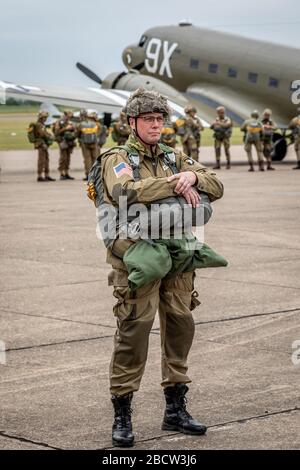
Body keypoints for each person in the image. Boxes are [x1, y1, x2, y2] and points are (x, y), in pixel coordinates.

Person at [94, 87, 224, 447]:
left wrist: (193, 178)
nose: (155, 125)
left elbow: (217, 184)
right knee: (134, 331)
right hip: (137, 257)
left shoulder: (174, 156)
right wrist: (172, 184)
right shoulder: (116, 158)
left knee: (181, 325)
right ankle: (122, 411)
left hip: (177, 256)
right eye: (148, 119)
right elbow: (124, 192)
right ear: (132, 122)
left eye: (160, 119)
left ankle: (175, 409)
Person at [29, 111, 55, 182]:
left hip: (44, 144)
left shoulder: (42, 125)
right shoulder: (38, 125)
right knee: (41, 160)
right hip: (41, 144)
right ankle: (40, 176)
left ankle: (46, 175)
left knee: (46, 159)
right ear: (40, 117)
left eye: (45, 117)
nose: (45, 119)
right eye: (43, 117)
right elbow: (42, 134)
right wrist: (50, 136)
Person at [77, 110, 100, 181]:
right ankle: (96, 175)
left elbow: (78, 134)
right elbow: (98, 133)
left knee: (87, 159)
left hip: (85, 143)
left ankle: (88, 175)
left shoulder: (81, 124)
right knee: (95, 158)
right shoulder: (95, 124)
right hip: (94, 143)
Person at [53, 111, 76, 180]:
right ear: (65, 115)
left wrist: (72, 129)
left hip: (69, 143)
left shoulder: (69, 122)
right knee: (63, 158)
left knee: (68, 158)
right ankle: (61, 174)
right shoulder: (59, 122)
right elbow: (57, 133)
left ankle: (66, 173)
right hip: (63, 142)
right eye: (69, 116)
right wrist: (65, 128)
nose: (70, 117)